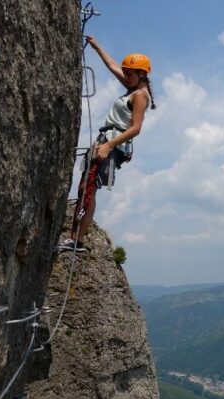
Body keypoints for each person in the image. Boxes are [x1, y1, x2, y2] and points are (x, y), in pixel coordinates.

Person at [58, 35, 156, 252]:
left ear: (141, 74)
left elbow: (136, 128)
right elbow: (113, 66)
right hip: (106, 141)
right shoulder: (131, 87)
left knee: (89, 187)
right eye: (126, 72)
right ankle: (76, 238)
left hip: (113, 144)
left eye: (129, 73)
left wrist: (109, 145)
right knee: (85, 185)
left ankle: (77, 240)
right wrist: (96, 46)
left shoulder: (140, 95)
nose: (125, 75)